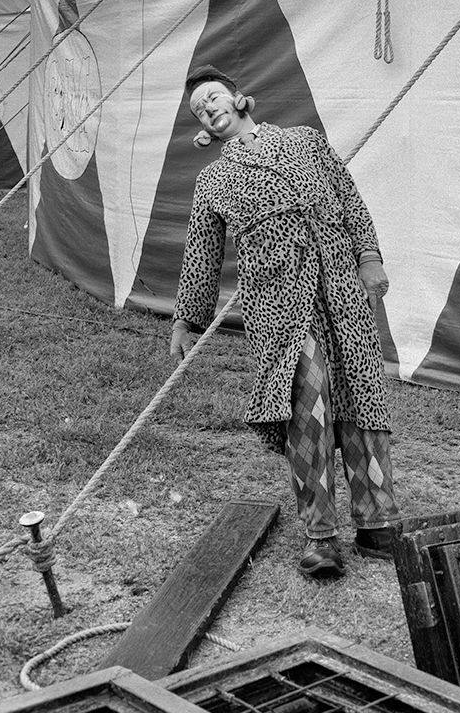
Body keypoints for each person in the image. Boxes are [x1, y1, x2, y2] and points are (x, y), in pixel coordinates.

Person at [170, 65, 401, 579]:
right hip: (278, 305)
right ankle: (321, 536)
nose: (208, 107)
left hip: (339, 285)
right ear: (203, 128)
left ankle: (377, 523)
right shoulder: (213, 181)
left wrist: (368, 256)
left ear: (238, 98)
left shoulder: (305, 141)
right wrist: (187, 318)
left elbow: (350, 198)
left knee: (361, 395)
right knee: (308, 407)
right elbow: (202, 254)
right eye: (198, 109)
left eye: (213, 96)